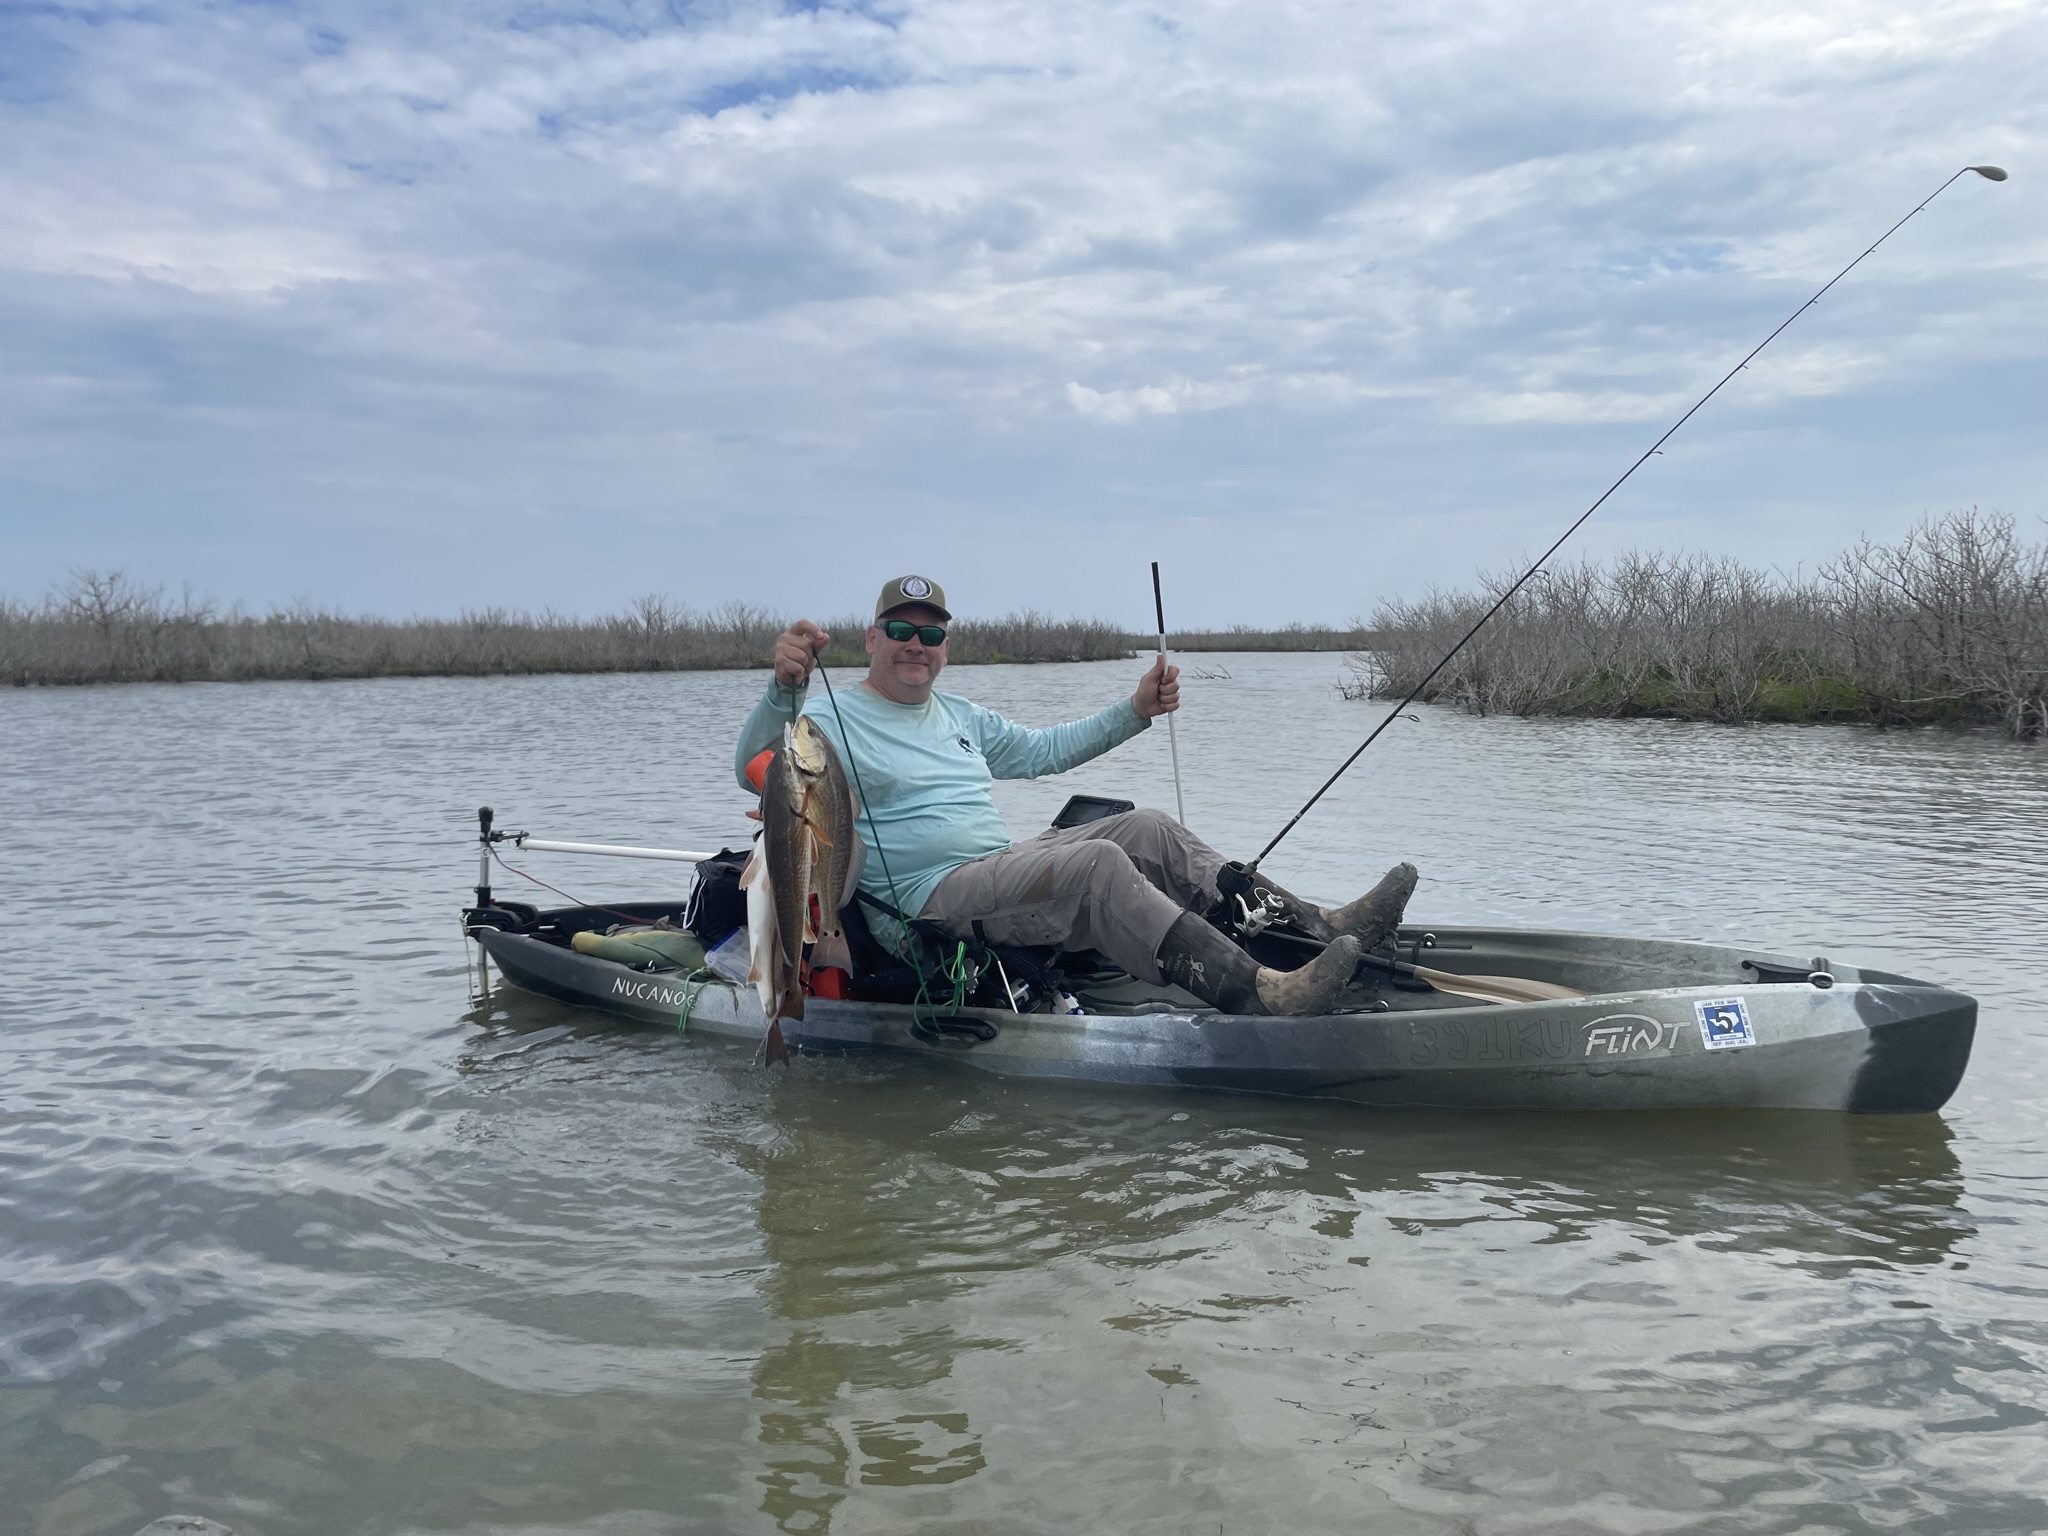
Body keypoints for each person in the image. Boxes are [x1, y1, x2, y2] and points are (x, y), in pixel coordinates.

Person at [733, 574, 1418, 1017]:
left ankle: (1316, 926)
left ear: (946, 646)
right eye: (903, 632)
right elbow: (752, 769)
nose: (918, 645)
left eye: (933, 634)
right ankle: (1262, 994)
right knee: (1095, 866)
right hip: (925, 905)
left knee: (1145, 826)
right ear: (872, 639)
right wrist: (783, 688)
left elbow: (1045, 751)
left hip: (992, 873)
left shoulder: (960, 715)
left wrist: (1135, 710)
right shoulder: (826, 719)